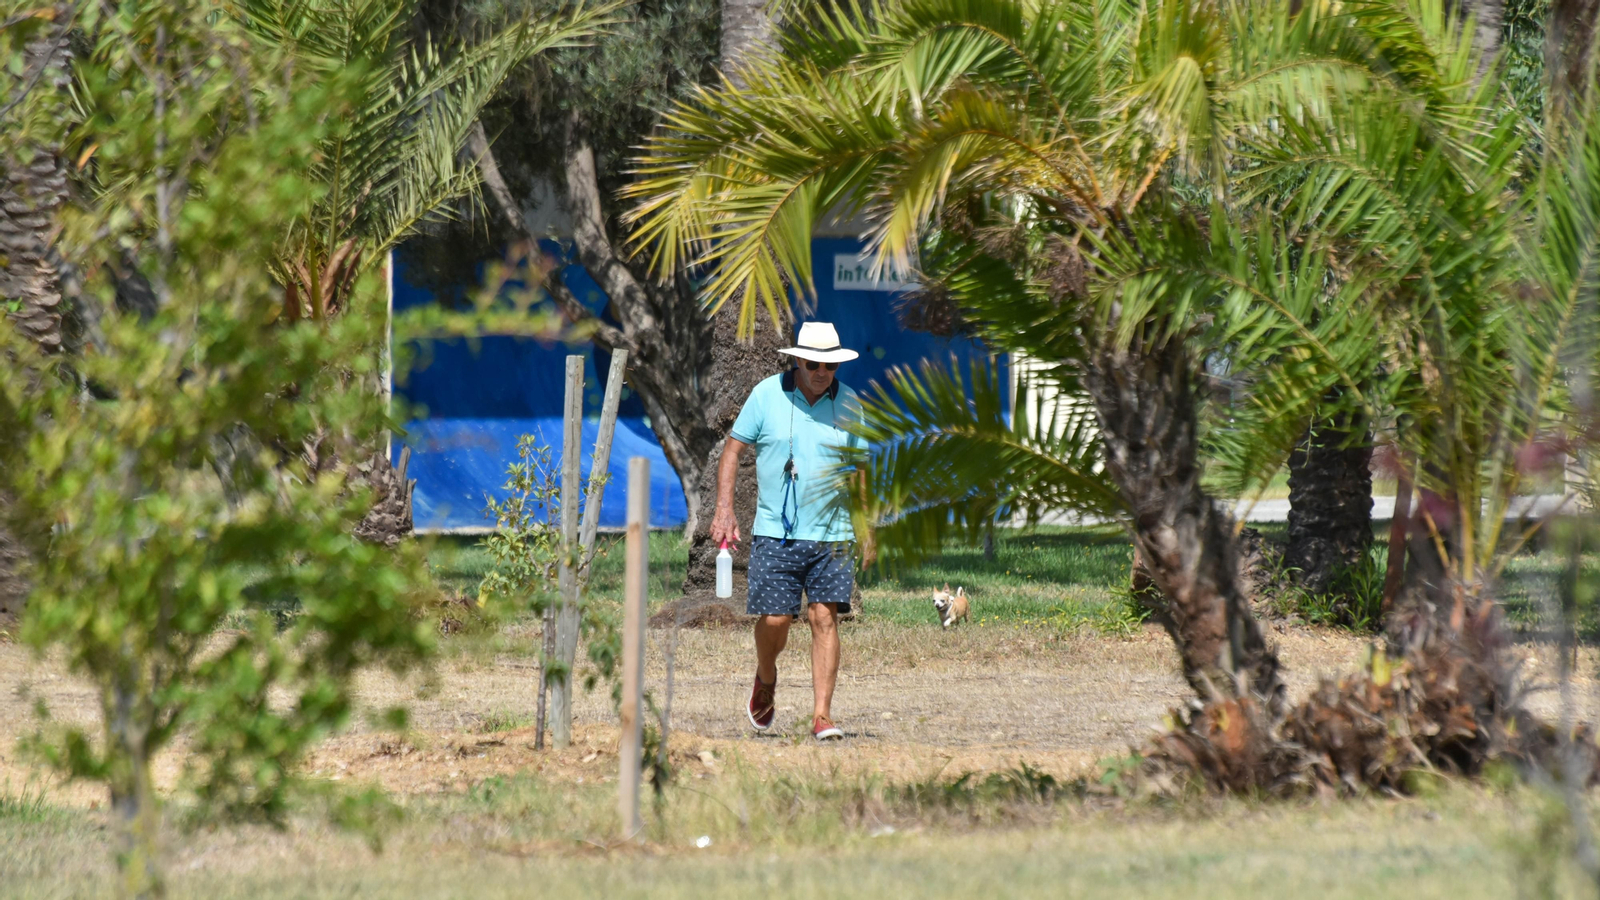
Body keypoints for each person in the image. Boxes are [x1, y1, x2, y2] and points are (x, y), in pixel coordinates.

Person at [712, 321, 873, 741]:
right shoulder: (767, 394)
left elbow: (860, 471)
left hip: (833, 532)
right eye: (813, 362)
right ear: (797, 359)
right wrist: (725, 510)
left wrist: (866, 527)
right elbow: (732, 451)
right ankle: (766, 676)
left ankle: (822, 715)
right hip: (776, 531)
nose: (822, 371)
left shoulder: (851, 403)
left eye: (830, 365)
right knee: (777, 619)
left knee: (824, 617)